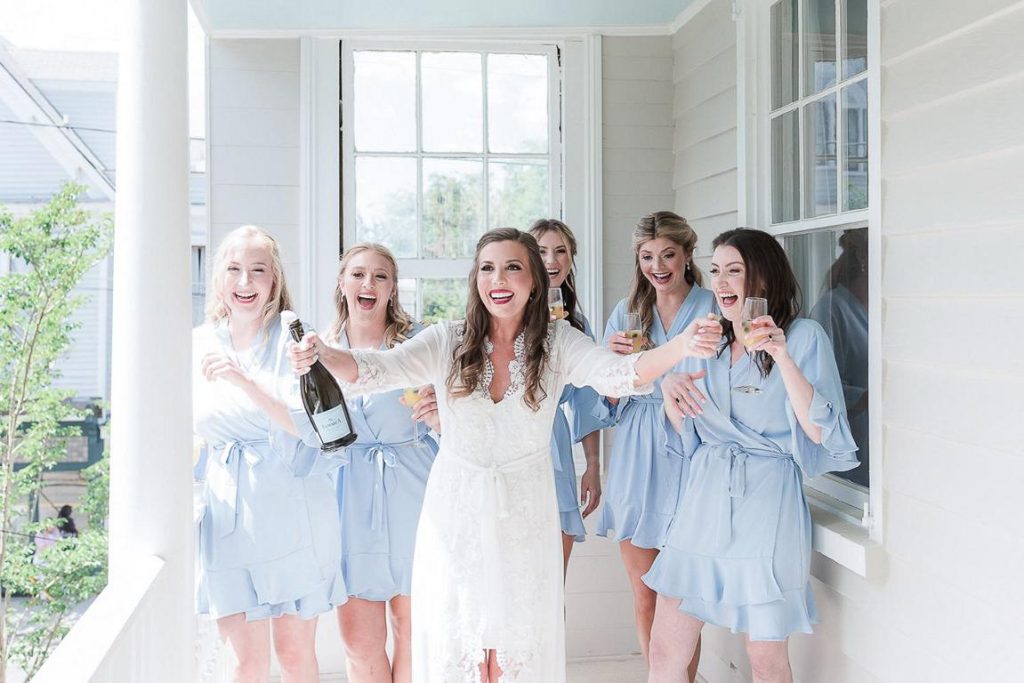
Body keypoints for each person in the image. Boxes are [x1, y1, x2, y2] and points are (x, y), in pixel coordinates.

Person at [288, 228, 722, 682]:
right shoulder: (446, 340)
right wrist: (320, 353)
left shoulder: (559, 343)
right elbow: (374, 370)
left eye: (513, 267)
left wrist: (682, 346)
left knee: (514, 654)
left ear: (534, 280)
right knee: (463, 647)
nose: (499, 278)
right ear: (476, 279)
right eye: (488, 268)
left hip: (526, 515)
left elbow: (620, 374)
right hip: (455, 514)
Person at [645, 228, 859, 683]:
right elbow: (689, 430)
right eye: (717, 270)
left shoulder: (803, 336)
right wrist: (670, 391)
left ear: (762, 277)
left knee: (764, 659)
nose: (721, 282)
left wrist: (781, 357)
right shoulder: (708, 339)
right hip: (703, 500)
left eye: (734, 271)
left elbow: (820, 432)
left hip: (766, 502)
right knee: (666, 648)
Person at [193, 225, 346, 682]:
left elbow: (309, 427)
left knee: (295, 655)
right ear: (219, 278)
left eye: (257, 271)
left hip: (292, 509)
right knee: (243, 663)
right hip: (227, 516)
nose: (245, 283)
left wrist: (244, 381)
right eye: (234, 270)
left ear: (274, 281)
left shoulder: (295, 339)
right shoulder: (199, 341)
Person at [596, 211, 715, 668]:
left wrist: (657, 378)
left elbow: (723, 378)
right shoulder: (626, 313)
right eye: (647, 256)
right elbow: (604, 393)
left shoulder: (711, 306)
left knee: (681, 603)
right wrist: (613, 363)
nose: (658, 266)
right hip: (634, 456)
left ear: (687, 254)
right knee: (645, 595)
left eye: (668, 254)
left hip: (691, 448)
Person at [318, 243, 439, 683]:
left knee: (414, 628)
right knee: (358, 641)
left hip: (415, 489)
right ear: (342, 284)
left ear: (392, 289)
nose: (368, 284)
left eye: (380, 276)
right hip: (349, 497)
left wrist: (441, 411)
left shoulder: (420, 343)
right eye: (358, 274)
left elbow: (461, 408)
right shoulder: (318, 351)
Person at [528, 219, 605, 574]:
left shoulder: (576, 325)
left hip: (555, 447)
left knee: (553, 577)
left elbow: (587, 403)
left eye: (561, 251)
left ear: (572, 259)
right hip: (515, 443)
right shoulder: (505, 314)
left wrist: (592, 465)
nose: (552, 260)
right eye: (542, 251)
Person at [809, 228, 869, 486]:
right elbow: (819, 390)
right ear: (865, 259)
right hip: (850, 453)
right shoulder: (832, 309)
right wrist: (867, 398)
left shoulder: (880, 309)